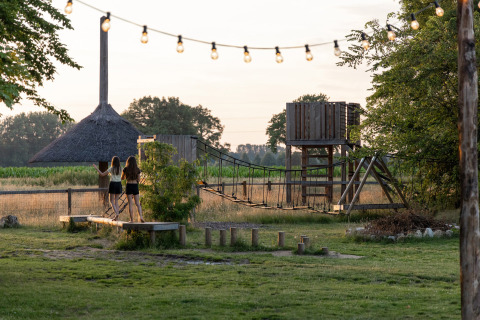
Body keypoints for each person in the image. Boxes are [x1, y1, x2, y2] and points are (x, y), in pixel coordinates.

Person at [93, 156, 122, 221]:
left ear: (113, 162)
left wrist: (96, 168)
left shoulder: (111, 168)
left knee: (111, 201)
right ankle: (116, 217)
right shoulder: (120, 168)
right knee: (116, 200)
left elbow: (102, 174)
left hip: (113, 184)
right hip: (119, 184)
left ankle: (116, 213)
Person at [121, 156, 145, 223]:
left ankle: (131, 220)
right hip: (135, 186)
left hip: (128, 185)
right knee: (138, 203)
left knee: (130, 204)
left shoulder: (125, 169)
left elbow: (122, 178)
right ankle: (141, 216)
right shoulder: (137, 169)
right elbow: (139, 179)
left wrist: (126, 176)